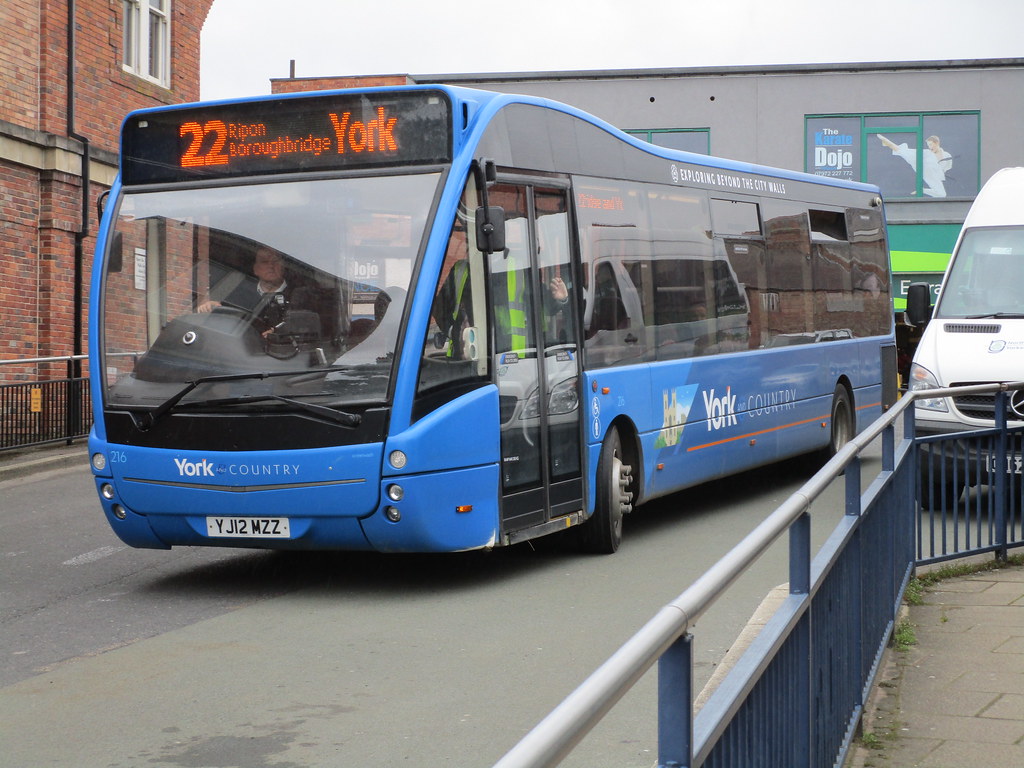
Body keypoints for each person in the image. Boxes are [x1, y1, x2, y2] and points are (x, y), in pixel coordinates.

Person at [878, 134, 953, 198]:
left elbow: (948, 166)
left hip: (933, 176)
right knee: (906, 153)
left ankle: (922, 190)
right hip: (924, 168)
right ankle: (889, 143)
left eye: (930, 144)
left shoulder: (947, 155)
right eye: (928, 145)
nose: (930, 147)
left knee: (942, 194)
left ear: (937, 143)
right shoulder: (927, 153)